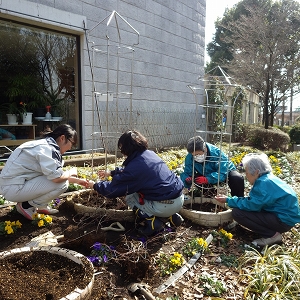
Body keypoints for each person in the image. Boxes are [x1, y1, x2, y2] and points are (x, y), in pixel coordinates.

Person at [87, 129, 185, 236]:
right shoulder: (150, 154)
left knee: (131, 197)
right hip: (178, 200)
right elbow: (132, 171)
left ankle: (152, 223)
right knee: (148, 192)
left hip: (164, 205)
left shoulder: (135, 167)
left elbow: (113, 189)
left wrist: (95, 185)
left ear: (126, 148)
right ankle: (171, 216)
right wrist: (111, 173)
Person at [0, 124, 89, 220]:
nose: (71, 148)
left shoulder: (45, 145)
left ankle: (40, 206)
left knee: (61, 180)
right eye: (72, 143)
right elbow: (57, 178)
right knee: (63, 184)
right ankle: (26, 206)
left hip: (13, 185)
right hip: (13, 188)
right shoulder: (47, 149)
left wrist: (77, 181)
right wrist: (71, 172)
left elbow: (51, 174)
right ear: (62, 138)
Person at [215, 153, 300, 246]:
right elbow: (256, 201)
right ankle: (269, 230)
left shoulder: (263, 184)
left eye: (247, 173)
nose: (246, 177)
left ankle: (272, 236)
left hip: (283, 221)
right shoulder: (268, 178)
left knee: (237, 213)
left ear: (256, 172)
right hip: (286, 217)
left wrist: (229, 200)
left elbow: (252, 205)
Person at [180, 136, 244, 197]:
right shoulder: (190, 157)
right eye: (194, 155)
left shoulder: (217, 153)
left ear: (205, 149)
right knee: (197, 179)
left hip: (224, 173)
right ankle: (211, 195)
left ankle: (237, 201)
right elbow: (187, 172)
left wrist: (208, 179)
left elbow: (222, 173)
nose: (197, 157)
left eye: (198, 154)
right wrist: (187, 179)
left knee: (237, 178)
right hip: (205, 174)